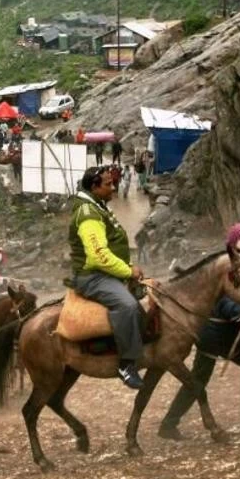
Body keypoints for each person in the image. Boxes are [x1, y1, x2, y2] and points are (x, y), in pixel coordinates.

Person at [159, 224, 240, 439]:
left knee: (199, 379)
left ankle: (169, 424)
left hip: (220, 333)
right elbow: (223, 303)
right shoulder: (229, 269)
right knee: (200, 380)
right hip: (215, 334)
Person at [69, 166, 144, 389]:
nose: (114, 187)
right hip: (93, 277)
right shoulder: (88, 215)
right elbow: (99, 256)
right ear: (94, 186)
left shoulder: (97, 205)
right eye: (108, 184)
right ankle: (126, 364)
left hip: (106, 273)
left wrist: (127, 267)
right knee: (128, 305)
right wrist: (128, 271)